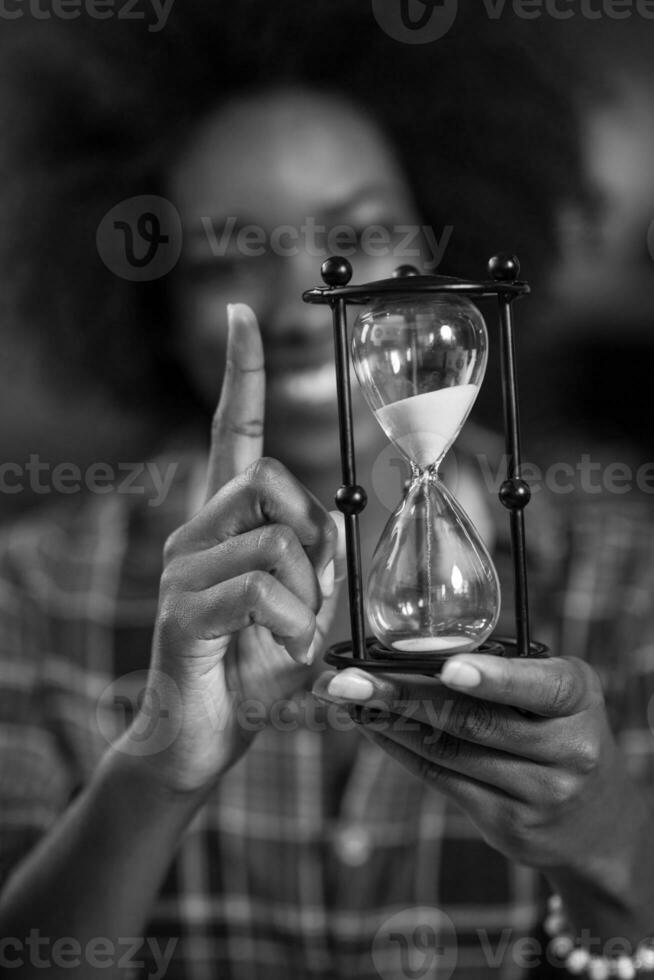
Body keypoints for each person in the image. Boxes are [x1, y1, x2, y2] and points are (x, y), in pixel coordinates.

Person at [1, 5, 653, 980]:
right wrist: (154, 770)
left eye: (357, 234)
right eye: (229, 255)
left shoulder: (626, 567)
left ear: (441, 252)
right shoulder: (35, 589)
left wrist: (610, 847)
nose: (307, 300)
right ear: (160, 306)